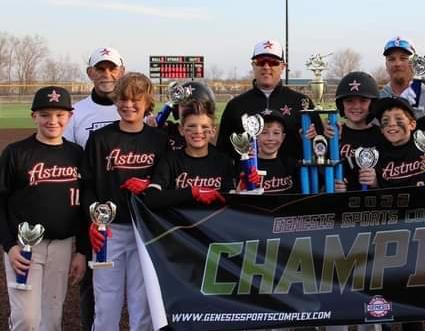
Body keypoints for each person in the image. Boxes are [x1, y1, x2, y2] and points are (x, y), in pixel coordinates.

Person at [82, 73, 168, 331]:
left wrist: (152, 186)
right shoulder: (100, 139)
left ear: (147, 102)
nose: (128, 104)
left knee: (142, 306)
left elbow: (166, 181)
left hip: (145, 231)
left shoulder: (159, 140)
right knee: (106, 304)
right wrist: (94, 216)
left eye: (135, 99)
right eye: (122, 98)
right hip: (110, 231)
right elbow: (86, 183)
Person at [0, 86, 88, 331]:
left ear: (70, 117)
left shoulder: (76, 154)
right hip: (25, 248)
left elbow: (82, 206)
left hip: (62, 246)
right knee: (26, 319)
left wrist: (81, 250)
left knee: (51, 320)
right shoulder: (16, 153)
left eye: (59, 115)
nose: (53, 120)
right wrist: (9, 246)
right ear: (34, 116)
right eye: (45, 114)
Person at [62, 47, 125, 331]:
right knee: (92, 276)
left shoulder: (132, 105)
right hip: (91, 203)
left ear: (121, 71)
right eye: (100, 69)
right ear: (90, 73)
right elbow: (66, 155)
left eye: (112, 68)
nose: (106, 74)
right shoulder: (78, 113)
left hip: (129, 203)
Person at [216, 39, 323, 162]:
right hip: (248, 178)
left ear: (283, 66)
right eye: (261, 62)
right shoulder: (236, 105)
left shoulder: (302, 102)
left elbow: (322, 147)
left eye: (273, 62)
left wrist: (317, 136)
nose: (266, 67)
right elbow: (223, 152)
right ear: (253, 65)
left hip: (292, 178)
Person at [143, 81, 232, 210]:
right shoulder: (165, 140)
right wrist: (191, 192)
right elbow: (152, 197)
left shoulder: (222, 160)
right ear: (182, 129)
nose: (198, 131)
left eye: (204, 127)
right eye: (191, 126)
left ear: (212, 130)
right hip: (178, 223)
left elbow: (229, 198)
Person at [359, 97, 425, 189]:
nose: (391, 124)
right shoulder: (377, 155)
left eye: (399, 119)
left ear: (412, 125)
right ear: (382, 129)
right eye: (385, 121)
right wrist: (375, 184)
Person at [323, 71, 384, 192]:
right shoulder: (333, 135)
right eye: (349, 100)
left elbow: (391, 172)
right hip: (340, 204)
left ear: (373, 104)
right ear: (341, 105)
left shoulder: (381, 136)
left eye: (363, 100)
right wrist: (329, 186)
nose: (356, 106)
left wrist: (377, 182)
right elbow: (321, 172)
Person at [379, 36, 425, 119]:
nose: (397, 64)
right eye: (391, 59)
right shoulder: (377, 98)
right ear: (386, 65)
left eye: (403, 58)